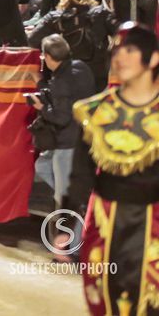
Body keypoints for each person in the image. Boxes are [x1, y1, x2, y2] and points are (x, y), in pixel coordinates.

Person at [61, 23, 159, 315]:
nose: (120, 58)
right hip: (105, 226)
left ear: (153, 59)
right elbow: (81, 174)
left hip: (154, 226)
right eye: (116, 50)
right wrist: (65, 225)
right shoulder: (94, 111)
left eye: (130, 50)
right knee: (104, 299)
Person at [29, 34, 97, 208]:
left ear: (49, 57)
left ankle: (76, 220)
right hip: (85, 137)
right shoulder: (82, 67)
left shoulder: (60, 81)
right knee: (43, 166)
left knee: (64, 197)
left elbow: (61, 117)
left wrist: (41, 108)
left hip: (67, 143)